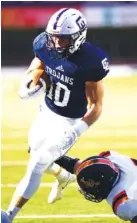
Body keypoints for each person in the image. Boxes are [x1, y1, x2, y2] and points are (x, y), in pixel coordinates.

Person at [3, 8, 109, 222]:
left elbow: (96, 105)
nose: (57, 44)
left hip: (69, 121)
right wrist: (30, 81)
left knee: (38, 162)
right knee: (36, 154)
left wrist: (76, 131)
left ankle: (8, 215)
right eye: (54, 38)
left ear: (78, 37)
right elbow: (37, 65)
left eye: (63, 39)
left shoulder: (90, 61)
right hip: (46, 111)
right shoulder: (44, 44)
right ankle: (64, 176)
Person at [50, 150, 137, 223]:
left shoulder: (125, 204)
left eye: (89, 186)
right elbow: (76, 165)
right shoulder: (110, 159)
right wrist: (48, 154)